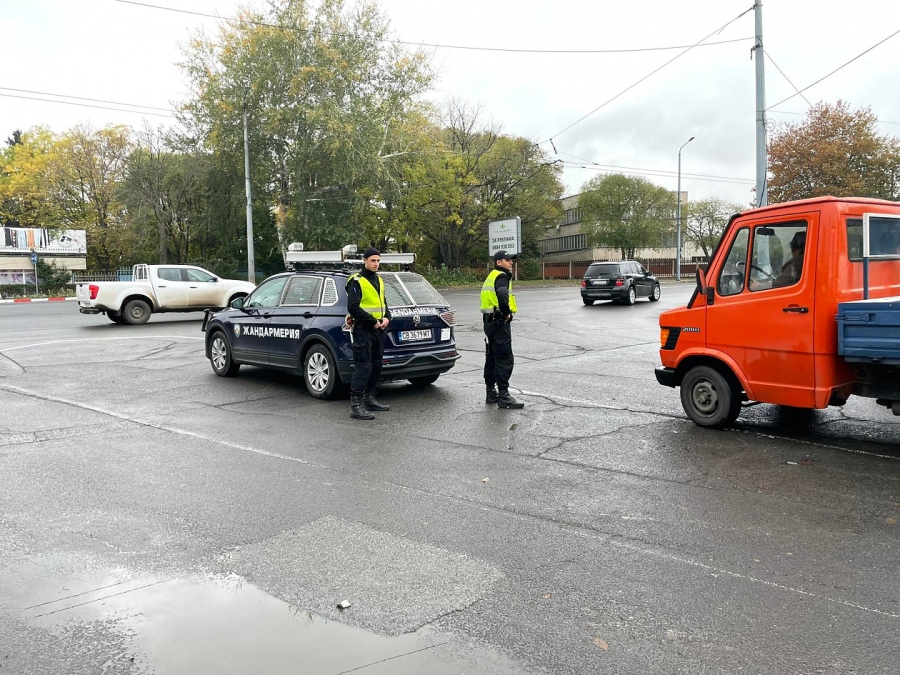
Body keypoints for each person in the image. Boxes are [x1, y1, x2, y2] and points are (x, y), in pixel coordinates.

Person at [346, 247, 392, 420]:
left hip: (379, 329)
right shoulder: (356, 281)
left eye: (378, 261)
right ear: (364, 261)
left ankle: (369, 397)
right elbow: (353, 307)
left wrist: (387, 317)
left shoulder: (379, 280)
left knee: (377, 365)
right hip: (363, 329)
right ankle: (356, 405)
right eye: (373, 260)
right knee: (363, 366)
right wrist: (372, 321)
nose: (376, 264)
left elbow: (384, 304)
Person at [481, 251, 525, 409]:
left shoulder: (491, 275)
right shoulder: (501, 276)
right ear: (498, 262)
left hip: (489, 321)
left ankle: (491, 392)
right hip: (499, 321)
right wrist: (506, 313)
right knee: (504, 357)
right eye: (507, 260)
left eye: (511, 260)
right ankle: (504, 396)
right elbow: (501, 294)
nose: (511, 263)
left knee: (492, 356)